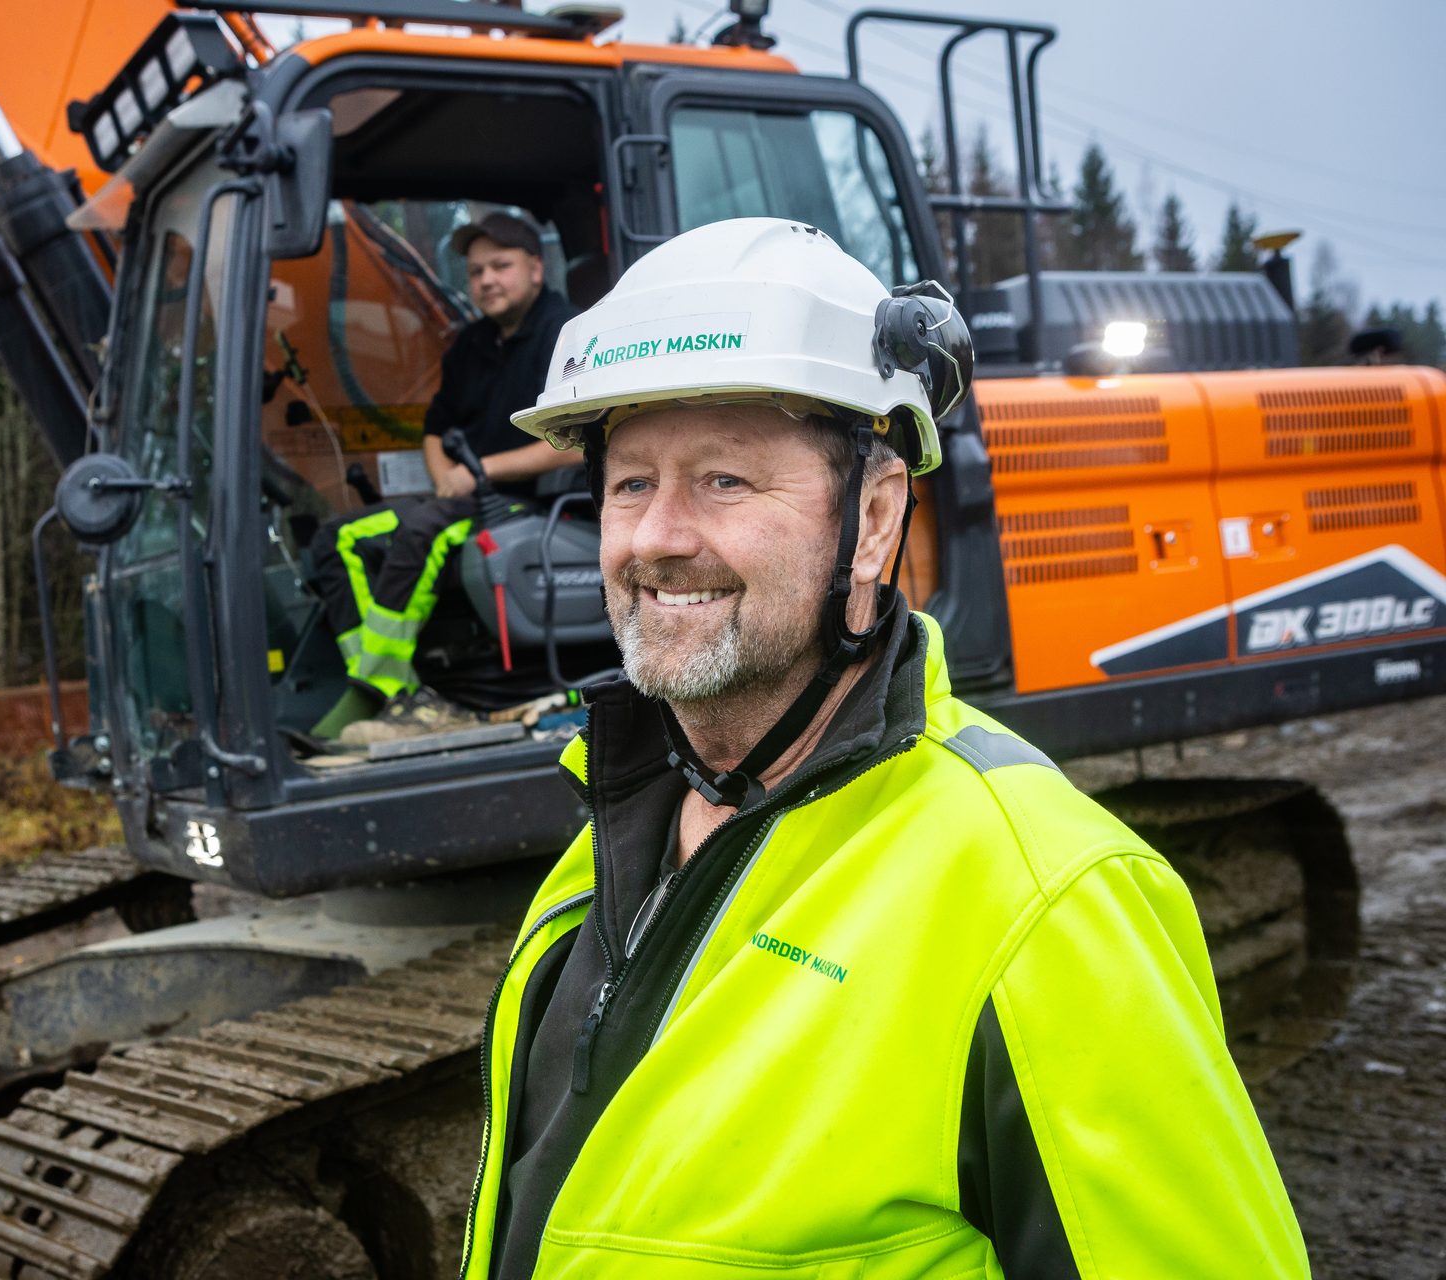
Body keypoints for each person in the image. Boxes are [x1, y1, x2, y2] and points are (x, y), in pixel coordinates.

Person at [461, 217, 1309, 1279]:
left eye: (725, 479)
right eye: (632, 482)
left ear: (872, 521)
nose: (656, 536)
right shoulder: (614, 822)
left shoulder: (1039, 897)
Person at [307, 211, 580, 742]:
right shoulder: (470, 345)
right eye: (476, 271)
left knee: (420, 531)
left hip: (530, 503)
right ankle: (386, 691)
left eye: (500, 266)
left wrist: (478, 473)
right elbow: (435, 429)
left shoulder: (568, 334)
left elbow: (574, 444)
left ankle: (392, 696)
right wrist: (446, 477)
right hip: (465, 493)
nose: (486, 280)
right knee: (334, 539)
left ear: (536, 269)